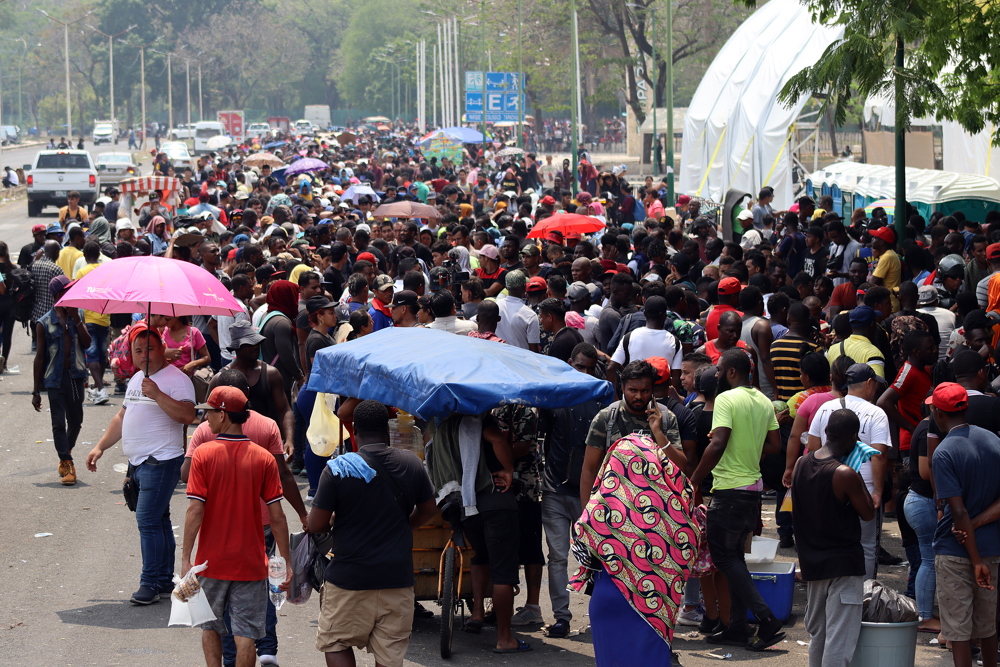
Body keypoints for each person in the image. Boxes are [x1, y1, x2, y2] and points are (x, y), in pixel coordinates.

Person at [181, 369, 307, 667]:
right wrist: (286, 562)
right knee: (246, 635)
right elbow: (277, 517)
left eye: (210, 411)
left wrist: (186, 558)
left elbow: (195, 510)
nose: (206, 417)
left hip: (211, 562)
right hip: (251, 563)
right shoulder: (263, 458)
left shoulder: (204, 454)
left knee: (210, 627)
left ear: (223, 415)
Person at [308, 400, 437, 667]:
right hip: (397, 581)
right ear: (387, 430)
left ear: (354, 431)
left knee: (336, 642)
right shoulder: (411, 463)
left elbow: (316, 524)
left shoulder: (338, 469)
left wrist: (334, 524)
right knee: (390, 655)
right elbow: (428, 510)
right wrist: (405, 525)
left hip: (349, 580)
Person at [86, 322, 196, 604]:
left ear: (162, 348)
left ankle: (149, 582)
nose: (144, 355)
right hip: (139, 463)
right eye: (138, 350)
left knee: (147, 520)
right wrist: (100, 447)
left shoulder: (177, 379)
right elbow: (122, 417)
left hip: (162, 461)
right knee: (159, 519)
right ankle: (163, 580)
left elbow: (187, 416)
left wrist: (157, 394)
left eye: (150, 348)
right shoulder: (137, 379)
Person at [569, 432, 700, 666]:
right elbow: (686, 559)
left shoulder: (598, 512)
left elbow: (583, 553)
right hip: (654, 610)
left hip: (607, 601)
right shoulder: (676, 517)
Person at [690, 347, 785, 651]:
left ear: (732, 372)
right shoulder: (763, 400)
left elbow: (718, 444)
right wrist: (746, 444)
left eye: (719, 370)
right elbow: (774, 445)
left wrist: (694, 480)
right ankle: (737, 628)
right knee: (735, 559)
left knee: (724, 558)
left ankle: (767, 620)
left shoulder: (726, 399)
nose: (716, 374)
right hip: (752, 493)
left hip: (730, 492)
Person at [793, 409, 874, 667]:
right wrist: (857, 471)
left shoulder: (801, 463)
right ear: (854, 437)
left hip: (814, 565)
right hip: (843, 566)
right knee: (839, 641)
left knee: (819, 634)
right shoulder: (844, 474)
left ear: (826, 432)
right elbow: (868, 513)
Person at [536, 343, 603, 638]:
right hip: (555, 490)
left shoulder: (601, 400)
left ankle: (600, 615)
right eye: (579, 366)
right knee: (558, 557)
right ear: (569, 363)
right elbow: (542, 437)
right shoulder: (554, 396)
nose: (584, 373)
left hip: (589, 494)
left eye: (589, 368)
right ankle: (561, 617)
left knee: (597, 556)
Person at [931, 382, 1000, 667]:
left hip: (955, 551)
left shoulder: (944, 452)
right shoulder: (994, 441)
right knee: (988, 625)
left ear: (938, 413)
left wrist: (975, 561)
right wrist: (979, 528)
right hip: (992, 547)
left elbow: (958, 512)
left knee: (958, 630)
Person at [808, 363, 890, 580]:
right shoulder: (876, 413)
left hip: (827, 486)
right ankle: (865, 592)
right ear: (870, 383)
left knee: (830, 539)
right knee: (867, 545)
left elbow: (813, 448)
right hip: (864, 489)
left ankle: (832, 585)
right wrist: (878, 492)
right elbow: (878, 455)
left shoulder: (825, 408)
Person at [580, 360, 685, 506]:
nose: (638, 397)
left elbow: (681, 467)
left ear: (652, 390)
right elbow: (589, 470)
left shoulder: (666, 418)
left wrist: (658, 432)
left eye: (645, 391)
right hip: (614, 507)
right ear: (623, 388)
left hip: (656, 508)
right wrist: (586, 513)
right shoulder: (606, 418)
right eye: (633, 390)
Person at [32, 275, 91, 486]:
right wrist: (35, 391)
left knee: (75, 421)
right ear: (59, 295)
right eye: (68, 290)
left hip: (75, 378)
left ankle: (66, 451)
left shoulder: (78, 315)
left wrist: (76, 319)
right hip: (54, 380)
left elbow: (87, 343)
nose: (72, 293)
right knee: (58, 423)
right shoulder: (44, 323)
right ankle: (67, 463)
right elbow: (40, 358)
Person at [495, 270, 541, 352]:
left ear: (506, 287)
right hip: (521, 359)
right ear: (524, 287)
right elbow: (534, 350)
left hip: (498, 356)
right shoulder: (530, 315)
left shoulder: (496, 306)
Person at [539, 297, 583, 363]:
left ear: (550, 317)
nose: (541, 320)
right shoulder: (573, 332)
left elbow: (558, 368)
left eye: (542, 317)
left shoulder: (560, 343)